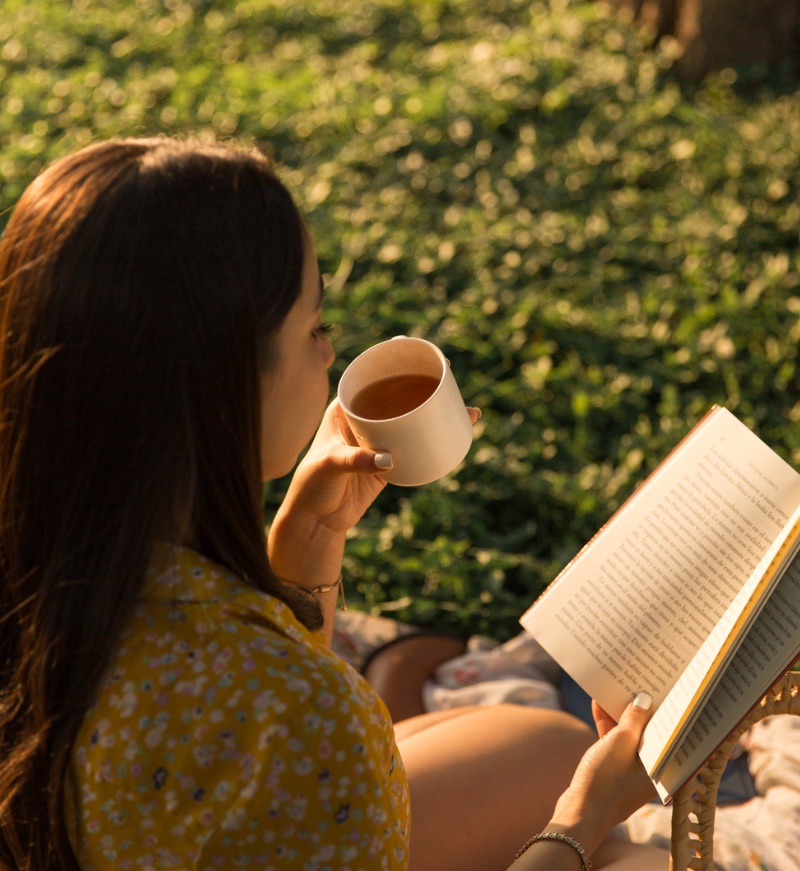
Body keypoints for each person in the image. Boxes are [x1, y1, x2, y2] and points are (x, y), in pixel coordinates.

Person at [0, 135, 668, 871]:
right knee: (628, 856)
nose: (329, 354)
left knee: (544, 747)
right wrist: (584, 819)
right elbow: (274, 717)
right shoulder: (304, 717)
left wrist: (308, 538)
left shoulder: (59, 577)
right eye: (315, 327)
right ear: (224, 392)